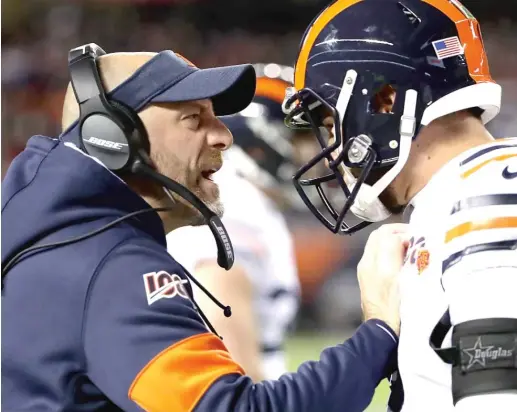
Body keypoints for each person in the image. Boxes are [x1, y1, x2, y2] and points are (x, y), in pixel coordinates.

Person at [2, 44, 400, 412]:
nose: (225, 136)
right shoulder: (107, 266)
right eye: (194, 119)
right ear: (113, 139)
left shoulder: (55, 240)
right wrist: (380, 331)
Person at [284, 0, 517, 411]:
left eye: (329, 124)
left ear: (385, 100)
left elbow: (497, 400)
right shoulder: (460, 195)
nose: (334, 151)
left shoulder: (487, 201)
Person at [167, 63, 306, 382]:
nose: (319, 155)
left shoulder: (247, 203)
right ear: (264, 142)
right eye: (304, 140)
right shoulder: (237, 210)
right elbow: (233, 374)